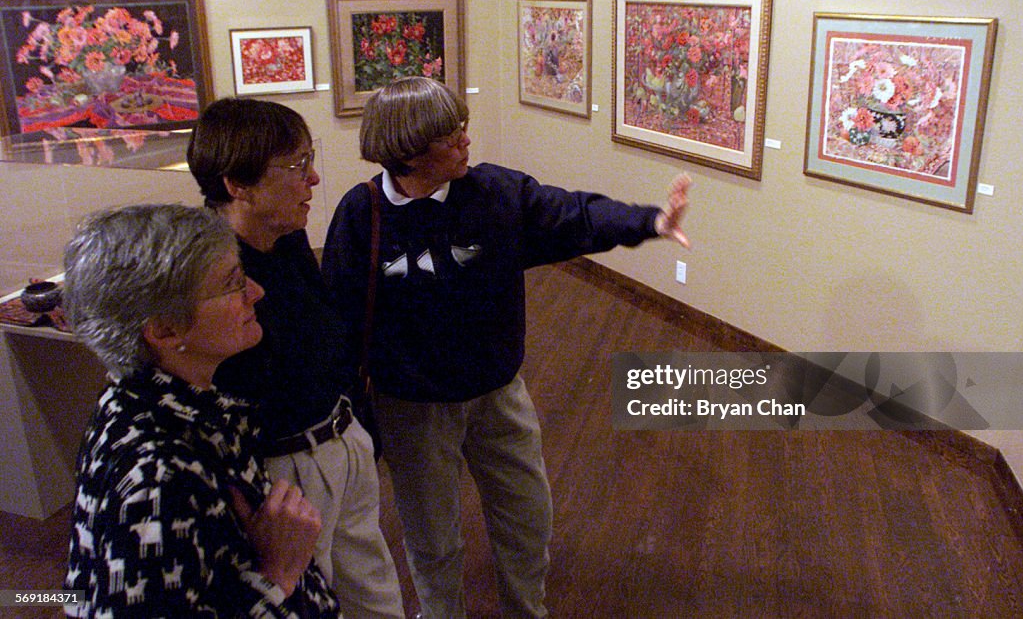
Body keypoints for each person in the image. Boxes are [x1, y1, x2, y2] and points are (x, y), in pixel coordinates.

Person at [320, 76, 691, 619]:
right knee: (432, 536)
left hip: (498, 394)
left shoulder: (494, 193)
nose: (467, 140)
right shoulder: (362, 215)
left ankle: (526, 610)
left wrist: (650, 221)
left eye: (463, 127)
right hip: (412, 408)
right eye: (451, 136)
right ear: (409, 151)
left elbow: (574, 215)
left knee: (526, 519)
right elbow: (340, 316)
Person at [62, 204, 339, 617]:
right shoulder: (155, 477)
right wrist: (276, 575)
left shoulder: (165, 405)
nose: (256, 292)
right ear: (164, 330)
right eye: (233, 283)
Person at [187, 98, 404, 619]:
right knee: (308, 602)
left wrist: (355, 426)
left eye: (309, 158)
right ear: (237, 185)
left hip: (338, 436)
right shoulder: (205, 274)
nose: (312, 177)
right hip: (285, 469)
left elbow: (323, 338)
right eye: (294, 165)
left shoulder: (284, 238)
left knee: (374, 591)